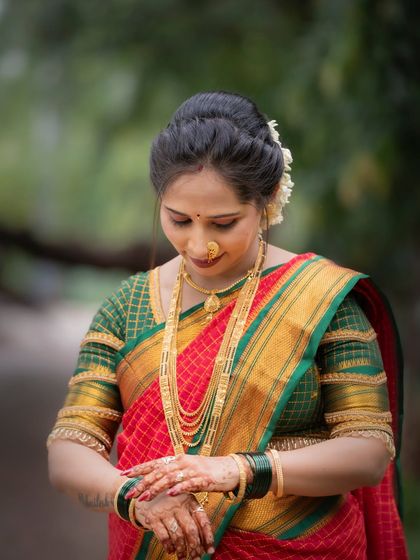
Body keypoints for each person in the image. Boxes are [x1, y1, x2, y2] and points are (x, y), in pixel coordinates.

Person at [47, 91, 407, 560]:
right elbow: (68, 452)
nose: (199, 246)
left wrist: (238, 471)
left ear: (268, 201)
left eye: (223, 223)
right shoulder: (127, 307)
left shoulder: (321, 301)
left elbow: (368, 451)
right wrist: (133, 500)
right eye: (178, 220)